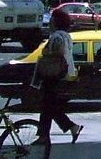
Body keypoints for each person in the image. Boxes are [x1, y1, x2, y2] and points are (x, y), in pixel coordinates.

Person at [34, 7, 82, 144]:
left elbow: (58, 52)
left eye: (51, 20)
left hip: (53, 74)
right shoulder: (66, 36)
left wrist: (46, 52)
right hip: (63, 74)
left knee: (47, 106)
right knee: (50, 106)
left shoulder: (56, 36)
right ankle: (69, 127)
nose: (49, 22)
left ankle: (45, 136)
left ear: (56, 22)